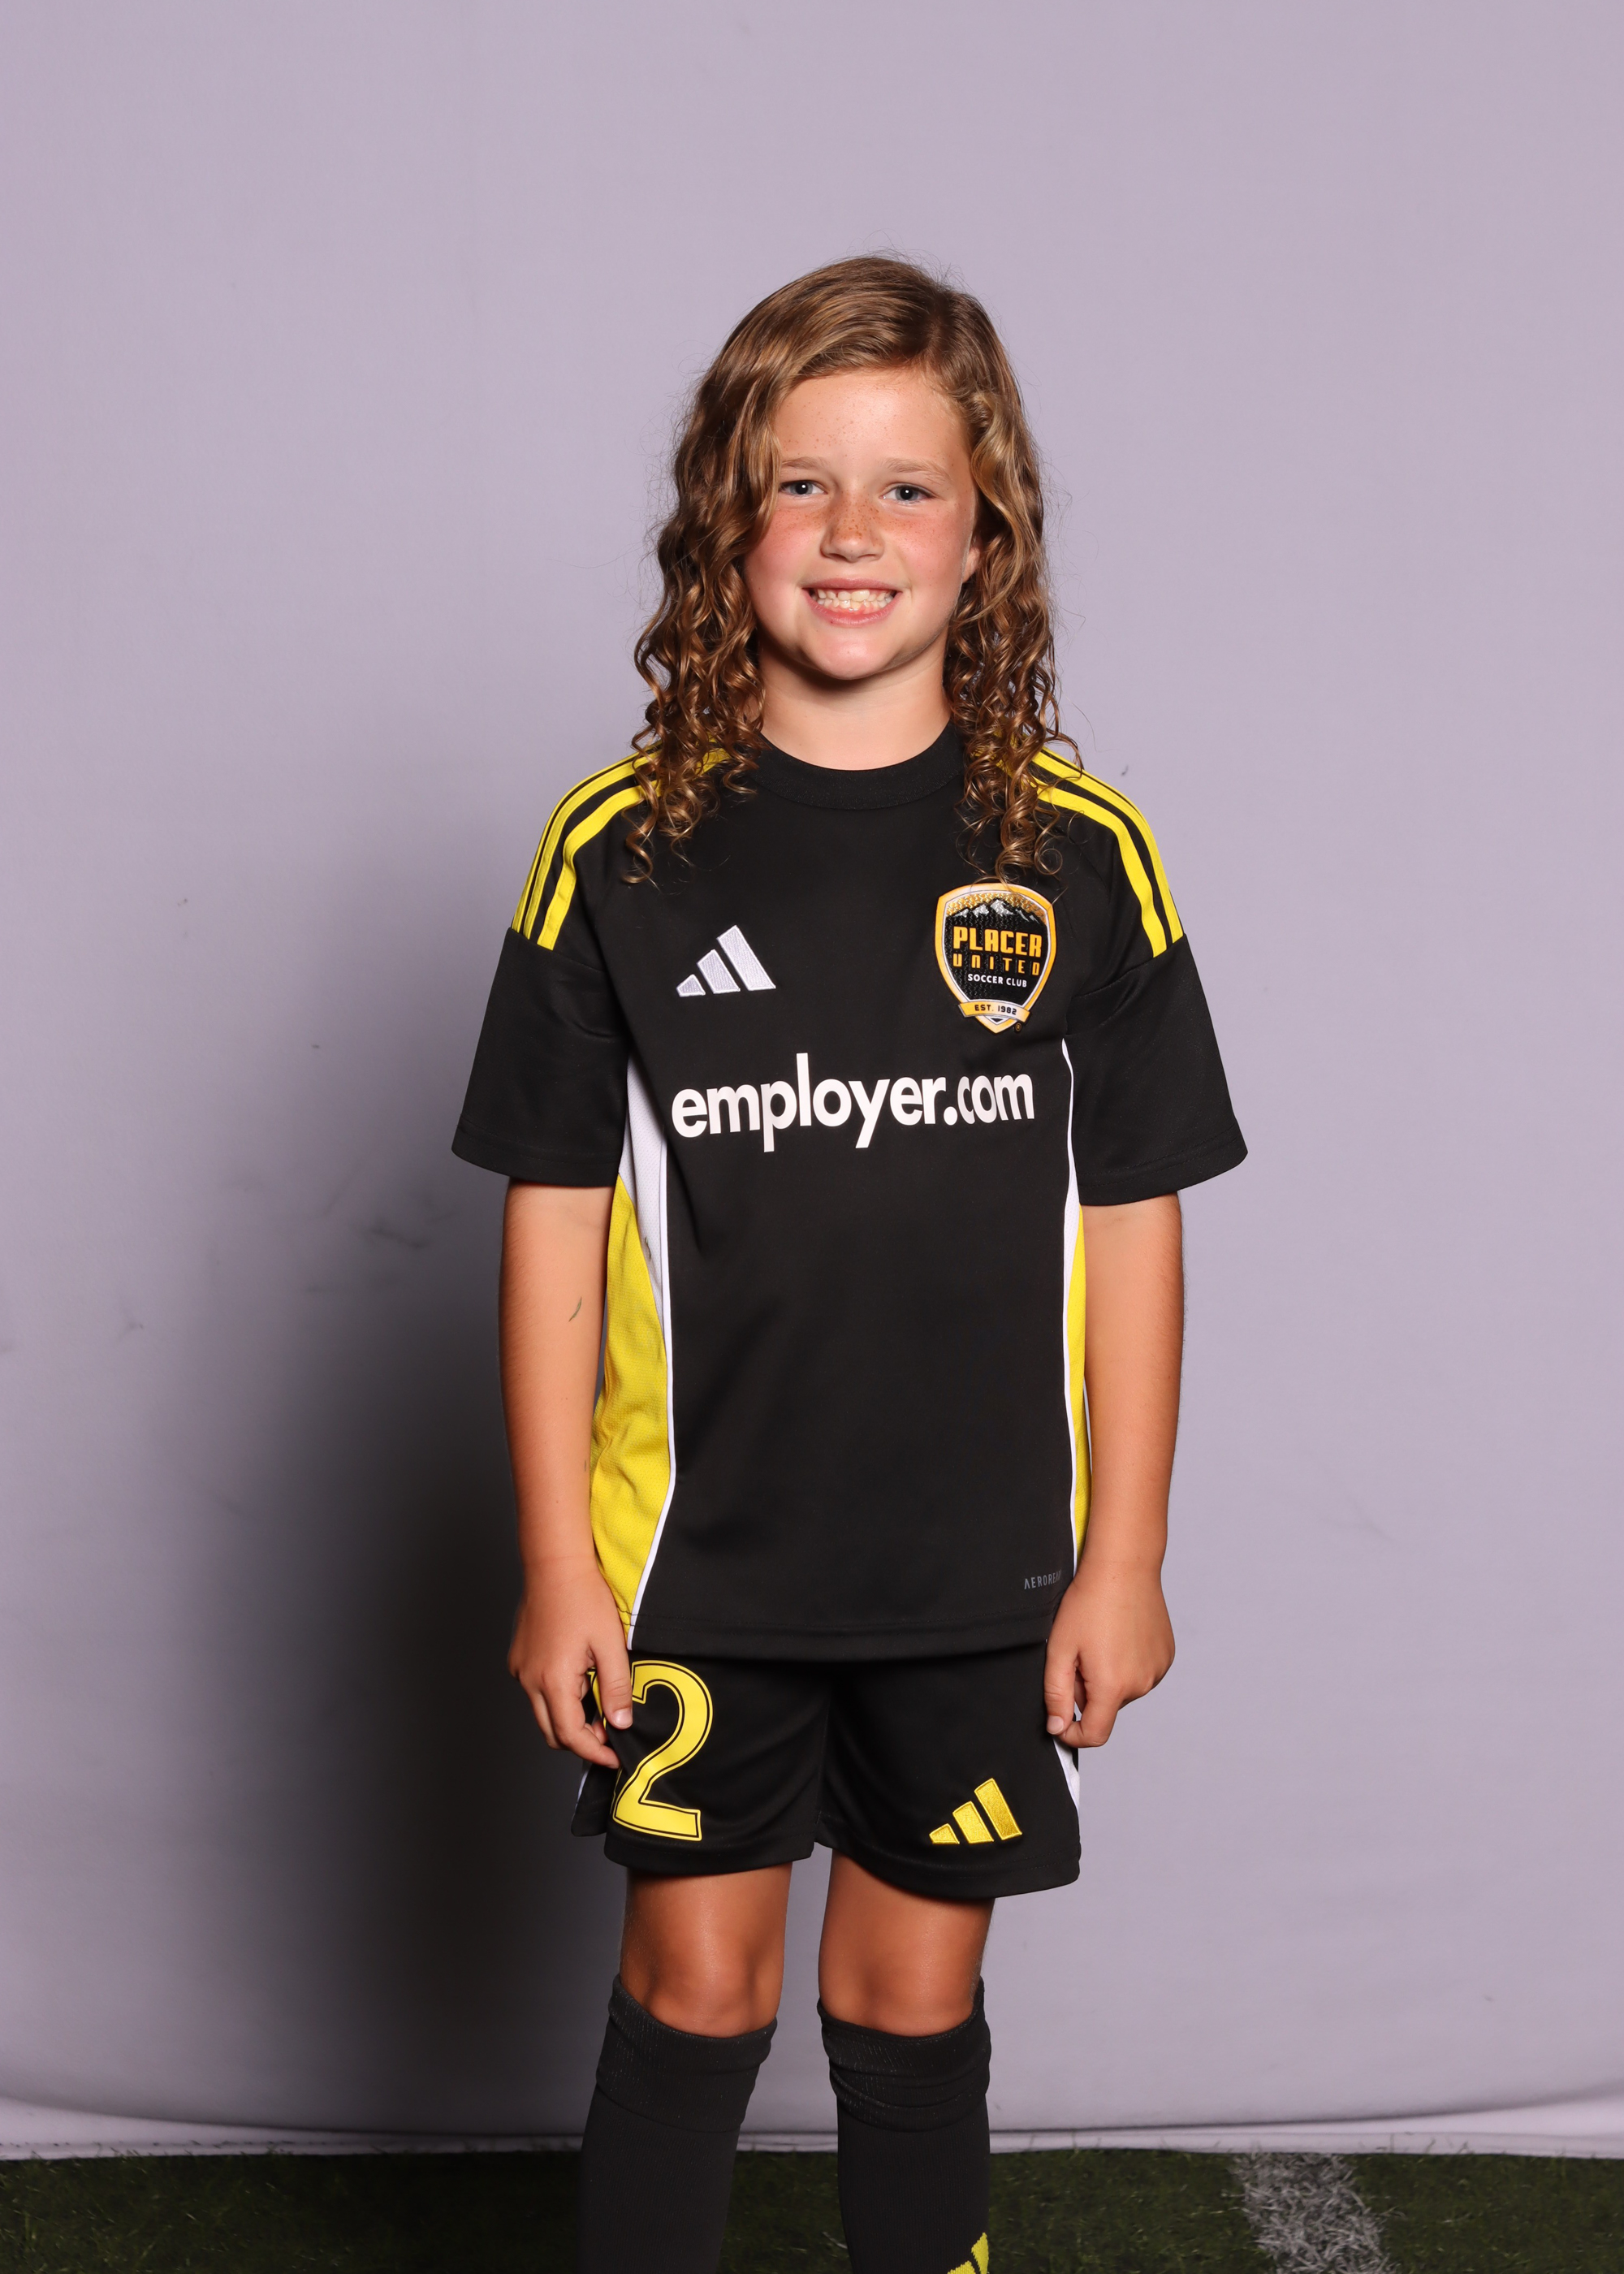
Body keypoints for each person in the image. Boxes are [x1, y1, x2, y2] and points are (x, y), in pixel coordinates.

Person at [452, 254, 1246, 2274]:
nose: (849, 532)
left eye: (906, 487)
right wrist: (556, 1562)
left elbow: (1132, 1211)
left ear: (989, 535)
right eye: (796, 483)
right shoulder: (615, 850)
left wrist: (1126, 1553)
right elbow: (551, 1217)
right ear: (725, 523)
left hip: (977, 1575)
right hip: (694, 1566)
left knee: (908, 2004)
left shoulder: (1081, 853)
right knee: (693, 1993)